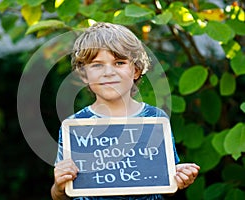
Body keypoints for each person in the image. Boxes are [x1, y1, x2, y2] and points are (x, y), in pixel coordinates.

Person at [51, 22, 200, 200]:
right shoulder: (75, 126)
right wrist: (59, 187)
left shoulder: (155, 120)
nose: (108, 72)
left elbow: (165, 186)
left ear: (136, 70)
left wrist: (178, 180)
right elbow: (61, 195)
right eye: (97, 65)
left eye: (119, 62)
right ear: (84, 75)